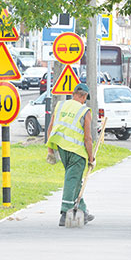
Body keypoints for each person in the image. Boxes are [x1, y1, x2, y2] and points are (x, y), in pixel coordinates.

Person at [46, 83, 95, 227]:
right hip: (77, 152)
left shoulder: (61, 106)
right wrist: (91, 158)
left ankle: (83, 210)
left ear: (74, 93)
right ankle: (65, 213)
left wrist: (51, 150)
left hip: (62, 149)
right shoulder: (85, 111)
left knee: (75, 180)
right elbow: (88, 138)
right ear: (84, 96)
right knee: (71, 179)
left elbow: (50, 129)